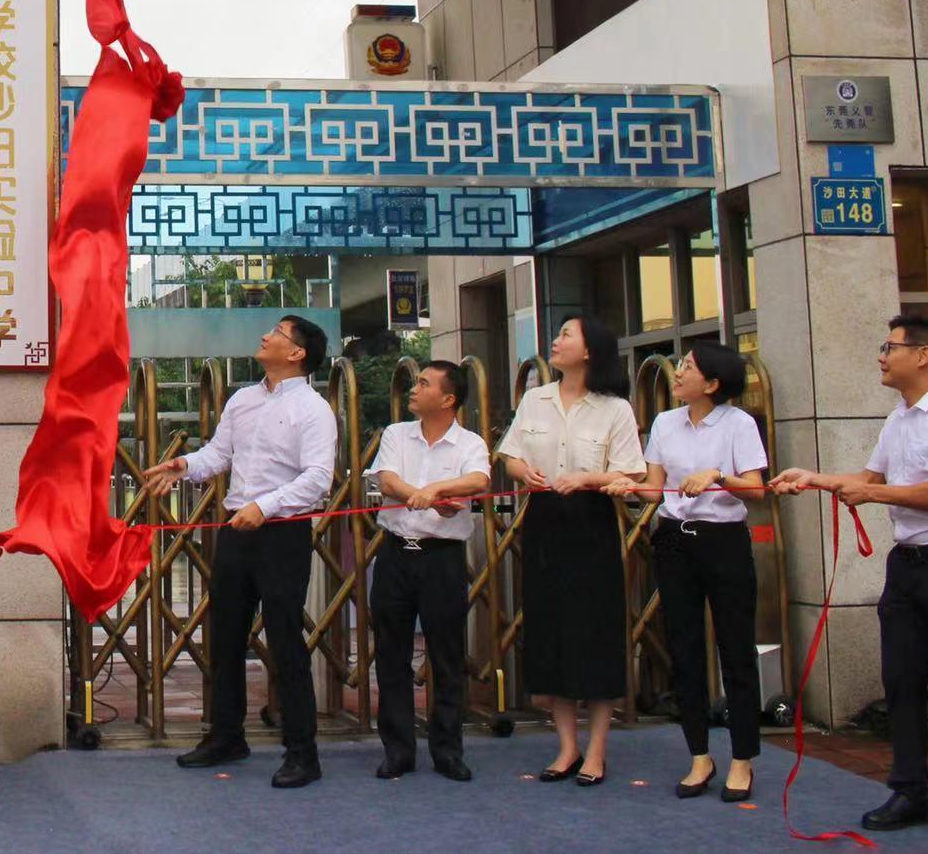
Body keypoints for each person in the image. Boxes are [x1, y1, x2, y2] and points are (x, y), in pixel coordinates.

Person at [772, 315, 928, 852]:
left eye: (890, 347)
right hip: (910, 567)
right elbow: (872, 479)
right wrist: (814, 479)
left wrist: (873, 497)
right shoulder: (898, 419)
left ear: (923, 356)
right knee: (900, 680)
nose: (881, 356)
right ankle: (910, 792)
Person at [142, 316, 337, 789]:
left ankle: (302, 752)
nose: (265, 335)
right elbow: (218, 454)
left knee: (286, 641)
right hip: (235, 531)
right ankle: (227, 735)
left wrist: (264, 507)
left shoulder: (314, 409)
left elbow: (317, 478)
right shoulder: (243, 400)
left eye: (278, 333)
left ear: (297, 354)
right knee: (225, 637)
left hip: (282, 532)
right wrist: (185, 464)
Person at [610, 343, 765, 803]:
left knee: (736, 650)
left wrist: (718, 477)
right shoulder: (663, 422)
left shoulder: (739, 424)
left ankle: (742, 759)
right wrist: (626, 487)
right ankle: (699, 756)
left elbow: (756, 489)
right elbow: (654, 489)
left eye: (688, 367)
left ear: (713, 384)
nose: (678, 373)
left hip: (725, 540)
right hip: (674, 540)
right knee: (684, 649)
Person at [496, 314, 643, 787]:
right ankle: (566, 747)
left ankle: (597, 750)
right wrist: (523, 473)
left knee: (594, 637)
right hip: (542, 523)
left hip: (593, 524)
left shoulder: (615, 408)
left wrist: (588, 478)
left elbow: (632, 473)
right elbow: (510, 454)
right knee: (551, 634)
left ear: (590, 351)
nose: (556, 342)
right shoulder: (534, 399)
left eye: (566, 335)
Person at [367, 360, 491, 781]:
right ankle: (398, 749)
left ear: (449, 398)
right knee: (390, 653)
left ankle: (448, 749)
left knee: (447, 655)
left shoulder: (469, 443)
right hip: (396, 554)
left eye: (424, 383)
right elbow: (386, 480)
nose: (414, 389)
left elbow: (478, 480)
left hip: (442, 558)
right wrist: (419, 493)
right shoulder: (396, 434)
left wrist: (440, 489)